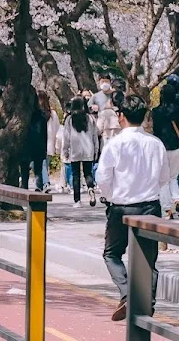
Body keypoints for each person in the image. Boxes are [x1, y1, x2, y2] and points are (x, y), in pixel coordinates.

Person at [97, 95, 169, 322]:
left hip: (121, 208)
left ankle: (127, 292)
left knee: (112, 253)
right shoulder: (156, 143)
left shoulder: (114, 144)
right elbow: (164, 177)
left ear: (121, 117)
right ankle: (148, 305)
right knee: (149, 261)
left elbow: (103, 178)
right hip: (149, 208)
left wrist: (111, 197)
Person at [62, 95, 99, 206]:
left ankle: (77, 200)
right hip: (88, 149)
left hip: (75, 150)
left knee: (76, 175)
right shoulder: (90, 119)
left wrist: (65, 151)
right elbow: (94, 135)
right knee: (88, 173)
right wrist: (96, 149)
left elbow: (66, 136)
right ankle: (91, 188)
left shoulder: (69, 119)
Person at [149, 83, 179, 216]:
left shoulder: (156, 111)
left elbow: (156, 131)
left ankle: (167, 209)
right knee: (173, 177)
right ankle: (177, 199)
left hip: (162, 147)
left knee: (163, 179)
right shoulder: (178, 110)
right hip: (176, 146)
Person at [21, 90, 50, 192]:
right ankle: (38, 189)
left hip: (25, 145)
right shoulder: (41, 115)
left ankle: (24, 190)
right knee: (38, 171)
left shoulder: (23, 115)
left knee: (24, 171)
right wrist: (45, 149)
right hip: (39, 145)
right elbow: (44, 134)